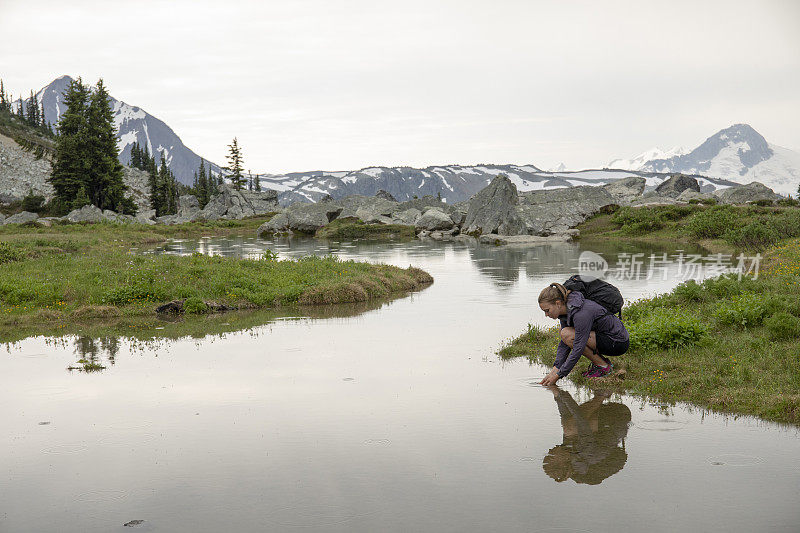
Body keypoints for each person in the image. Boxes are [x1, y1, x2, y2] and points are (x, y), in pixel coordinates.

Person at [538, 282, 629, 385]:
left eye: (547, 310)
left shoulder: (581, 313)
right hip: (602, 337)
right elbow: (564, 343)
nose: (546, 315)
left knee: (568, 334)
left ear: (558, 303)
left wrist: (560, 374)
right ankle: (601, 364)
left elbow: (578, 347)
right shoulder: (566, 311)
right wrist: (555, 369)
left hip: (617, 341)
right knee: (565, 333)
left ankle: (603, 366)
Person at [542, 387, 631, 485]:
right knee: (572, 427)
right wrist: (563, 395)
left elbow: (565, 416)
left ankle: (601, 395)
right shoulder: (584, 453)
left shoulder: (571, 452)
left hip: (607, 418)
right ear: (562, 460)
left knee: (570, 428)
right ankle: (602, 394)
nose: (550, 450)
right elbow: (579, 418)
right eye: (552, 455)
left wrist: (557, 395)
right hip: (620, 416)